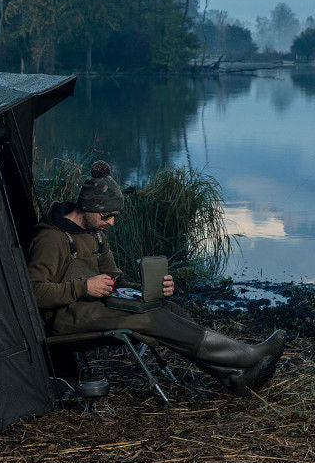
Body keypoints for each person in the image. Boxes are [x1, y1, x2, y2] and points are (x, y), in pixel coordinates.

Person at [27, 160, 285, 395]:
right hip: (65, 318)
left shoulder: (96, 234)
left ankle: (233, 377)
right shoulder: (51, 238)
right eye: (108, 216)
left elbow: (116, 279)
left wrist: (149, 290)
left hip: (96, 306)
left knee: (166, 307)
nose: (111, 223)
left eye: (114, 217)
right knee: (152, 317)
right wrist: (83, 287)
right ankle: (247, 356)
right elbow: (32, 293)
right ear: (90, 207)